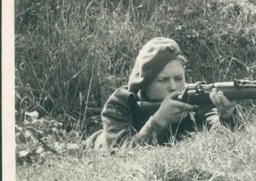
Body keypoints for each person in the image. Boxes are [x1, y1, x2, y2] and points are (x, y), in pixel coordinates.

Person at [88, 37, 239, 150]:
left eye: (179, 78)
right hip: (96, 147)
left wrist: (226, 116)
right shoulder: (122, 102)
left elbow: (222, 138)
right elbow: (121, 152)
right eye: (163, 80)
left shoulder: (193, 96)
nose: (173, 86)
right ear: (144, 83)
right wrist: (159, 120)